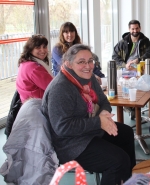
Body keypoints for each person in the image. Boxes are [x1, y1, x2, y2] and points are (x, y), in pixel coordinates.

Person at [42, 44, 136, 185]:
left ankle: (127, 180)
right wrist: (99, 122)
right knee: (118, 160)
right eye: (81, 62)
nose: (88, 66)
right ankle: (119, 175)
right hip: (70, 144)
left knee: (126, 133)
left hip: (90, 131)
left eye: (90, 61)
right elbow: (62, 128)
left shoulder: (88, 77)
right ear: (68, 64)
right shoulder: (60, 88)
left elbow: (104, 101)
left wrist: (104, 114)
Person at [16, 34, 53, 103]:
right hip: (38, 107)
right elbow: (54, 88)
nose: (42, 50)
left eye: (44, 47)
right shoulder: (34, 68)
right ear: (30, 49)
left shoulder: (24, 63)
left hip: (28, 104)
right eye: (38, 47)